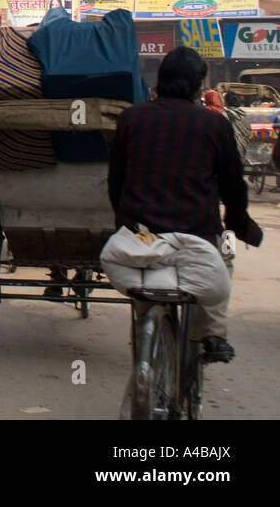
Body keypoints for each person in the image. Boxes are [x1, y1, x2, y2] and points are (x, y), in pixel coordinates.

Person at [104, 47, 263, 363]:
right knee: (223, 261)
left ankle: (146, 341)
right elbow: (233, 186)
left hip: (143, 235)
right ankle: (212, 335)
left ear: (160, 81)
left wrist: (124, 222)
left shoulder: (132, 118)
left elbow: (116, 181)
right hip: (197, 233)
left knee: (144, 282)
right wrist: (240, 225)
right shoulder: (213, 125)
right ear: (196, 86)